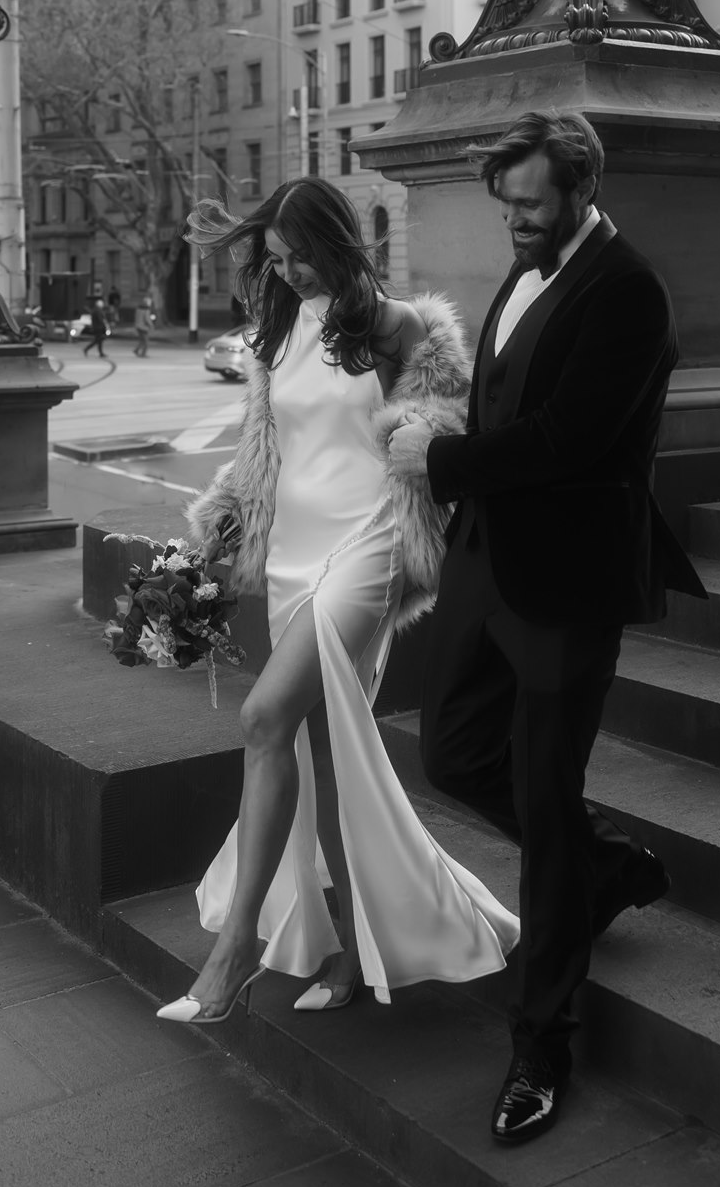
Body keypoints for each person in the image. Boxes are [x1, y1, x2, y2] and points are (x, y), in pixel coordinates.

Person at [388, 110, 705, 1147]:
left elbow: (571, 439)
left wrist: (439, 464)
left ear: (579, 187)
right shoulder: (523, 272)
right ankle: (606, 867)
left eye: (530, 202)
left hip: (569, 580)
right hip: (488, 564)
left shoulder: (630, 290)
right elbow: (503, 406)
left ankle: (543, 1041)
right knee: (453, 752)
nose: (515, 220)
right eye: (507, 202)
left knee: (540, 791)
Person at [157, 179, 517, 1030]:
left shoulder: (401, 328)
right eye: (274, 261)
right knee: (321, 757)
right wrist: (207, 540)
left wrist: (427, 433)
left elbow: (443, 433)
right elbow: (264, 456)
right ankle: (356, 947)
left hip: (371, 546)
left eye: (299, 256)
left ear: (338, 241)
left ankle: (235, 950)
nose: (288, 273)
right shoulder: (278, 330)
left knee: (263, 717)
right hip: (292, 554)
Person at [133, 293, 156, 358]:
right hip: (143, 327)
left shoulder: (138, 309)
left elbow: (136, 318)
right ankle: (143, 354)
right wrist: (151, 325)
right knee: (146, 342)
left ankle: (136, 350)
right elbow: (147, 319)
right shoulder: (146, 310)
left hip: (138, 326)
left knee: (141, 340)